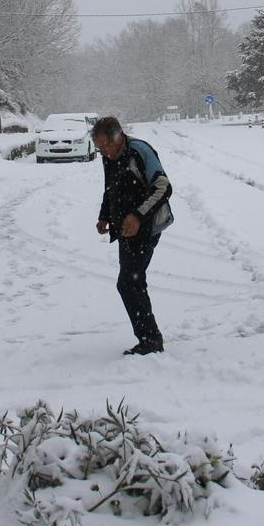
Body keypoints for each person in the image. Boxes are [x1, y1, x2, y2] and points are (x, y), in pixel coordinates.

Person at [92, 116, 174, 355]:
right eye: (99, 148)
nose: (103, 152)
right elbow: (110, 188)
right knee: (131, 283)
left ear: (118, 137)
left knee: (129, 283)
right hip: (125, 230)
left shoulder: (139, 151)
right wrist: (104, 216)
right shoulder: (109, 156)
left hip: (146, 228)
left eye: (105, 146)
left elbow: (164, 187)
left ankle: (150, 340)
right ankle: (149, 338)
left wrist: (137, 216)